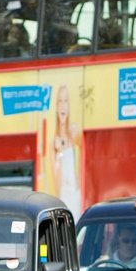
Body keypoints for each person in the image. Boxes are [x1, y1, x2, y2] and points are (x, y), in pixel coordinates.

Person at [49, 84, 83, 215]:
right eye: (60, 101)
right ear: (56, 107)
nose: (63, 105)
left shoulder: (74, 132)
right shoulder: (53, 143)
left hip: (75, 194)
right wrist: (59, 153)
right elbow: (56, 182)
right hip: (63, 198)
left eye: (66, 101)